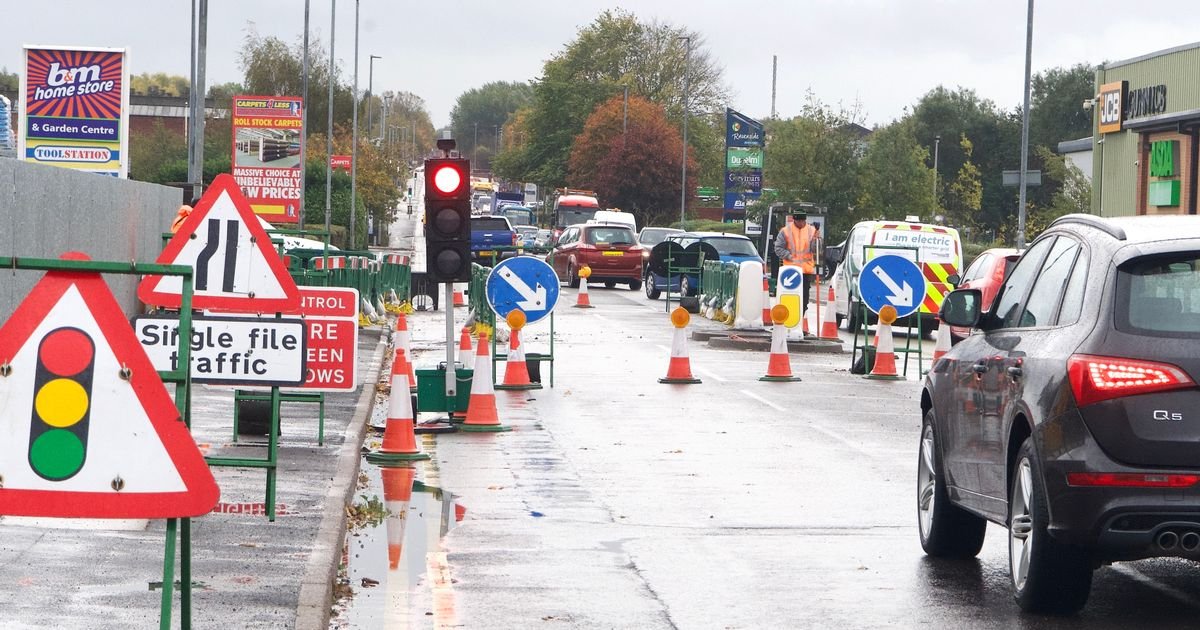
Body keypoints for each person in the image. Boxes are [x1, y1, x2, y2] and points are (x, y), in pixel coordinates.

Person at [773, 210, 819, 314]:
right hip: (790, 270)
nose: (801, 223)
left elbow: (815, 249)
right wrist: (789, 256)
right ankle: (788, 319)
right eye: (799, 221)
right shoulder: (785, 231)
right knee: (789, 297)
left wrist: (817, 236)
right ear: (794, 220)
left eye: (803, 221)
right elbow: (778, 248)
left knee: (804, 299)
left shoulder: (811, 230)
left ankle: (800, 321)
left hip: (805, 271)